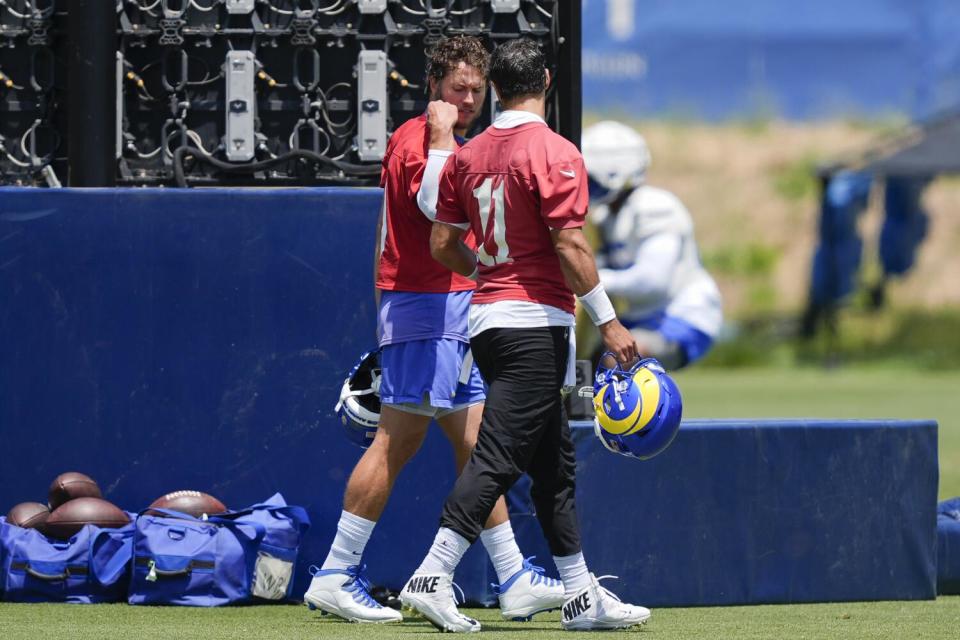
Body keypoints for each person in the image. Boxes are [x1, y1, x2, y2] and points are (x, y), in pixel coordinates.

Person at [303, 36, 564, 624]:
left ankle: (514, 575)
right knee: (397, 443)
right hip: (425, 307)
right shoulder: (419, 141)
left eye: (476, 89)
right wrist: (445, 138)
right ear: (433, 88)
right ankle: (335, 574)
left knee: (478, 446)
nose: (468, 99)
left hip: (444, 309)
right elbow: (428, 209)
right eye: (458, 89)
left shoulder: (452, 143)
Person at [400, 38, 652, 632]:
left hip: (489, 319)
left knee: (553, 465)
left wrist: (490, 270)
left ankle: (580, 594)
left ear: (494, 89)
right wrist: (609, 321)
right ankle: (433, 574)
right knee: (499, 456)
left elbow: (441, 243)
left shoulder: (470, 153)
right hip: (533, 322)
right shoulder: (555, 150)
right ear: (545, 79)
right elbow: (570, 244)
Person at [581, 121, 722, 370]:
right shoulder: (604, 216)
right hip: (642, 316)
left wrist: (589, 280)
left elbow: (653, 281)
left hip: (683, 315)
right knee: (585, 366)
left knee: (616, 360)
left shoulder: (654, 207)